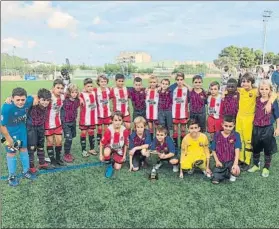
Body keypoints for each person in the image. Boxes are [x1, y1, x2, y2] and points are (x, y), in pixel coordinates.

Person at [236, 73, 273, 171]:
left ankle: (247, 161)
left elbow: (274, 94)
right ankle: (240, 159)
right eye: (243, 81)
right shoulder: (240, 90)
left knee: (248, 140)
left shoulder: (256, 91)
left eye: (248, 82)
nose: (245, 84)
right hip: (239, 117)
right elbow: (226, 89)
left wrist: (269, 103)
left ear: (252, 83)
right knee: (239, 139)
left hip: (249, 119)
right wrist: (224, 92)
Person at [0, 87, 37, 186]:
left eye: (22, 100)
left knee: (24, 150)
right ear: (12, 98)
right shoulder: (6, 107)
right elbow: (1, 126)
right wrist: (8, 138)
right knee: (11, 153)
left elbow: (34, 96)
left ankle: (26, 171)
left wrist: (34, 98)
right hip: (8, 133)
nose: (21, 102)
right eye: (18, 100)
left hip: (21, 131)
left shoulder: (28, 101)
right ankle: (11, 176)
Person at [248, 80, 279, 177]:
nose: (264, 91)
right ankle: (256, 165)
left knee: (267, 148)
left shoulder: (273, 101)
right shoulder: (256, 99)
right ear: (259, 90)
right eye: (262, 89)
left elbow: (277, 116)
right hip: (257, 127)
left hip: (268, 128)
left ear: (270, 90)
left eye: (266, 89)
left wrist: (277, 128)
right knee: (256, 147)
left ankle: (266, 167)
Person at [27, 88, 54, 173]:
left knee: (41, 145)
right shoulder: (33, 102)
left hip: (41, 127)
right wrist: (34, 97)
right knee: (31, 147)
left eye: (47, 100)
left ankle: (42, 163)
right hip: (31, 128)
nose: (45, 102)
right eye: (43, 100)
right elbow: (26, 98)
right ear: (39, 99)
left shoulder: (48, 104)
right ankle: (31, 166)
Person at [211, 115, 241, 184]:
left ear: (234, 126)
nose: (228, 128)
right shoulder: (217, 134)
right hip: (220, 161)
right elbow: (213, 150)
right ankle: (223, 173)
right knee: (215, 179)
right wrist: (217, 161)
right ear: (222, 125)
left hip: (231, 161)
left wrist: (235, 164)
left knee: (236, 171)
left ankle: (231, 173)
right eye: (226, 126)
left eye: (230, 126)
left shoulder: (236, 135)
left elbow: (237, 149)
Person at [99, 111, 129, 177]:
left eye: (119, 120)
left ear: (122, 121)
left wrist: (124, 155)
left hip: (119, 149)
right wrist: (101, 155)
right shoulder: (109, 130)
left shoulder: (125, 131)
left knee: (117, 167)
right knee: (106, 152)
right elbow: (101, 143)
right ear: (112, 121)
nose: (117, 122)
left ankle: (114, 157)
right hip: (110, 146)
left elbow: (126, 144)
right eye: (115, 120)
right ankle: (109, 161)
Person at [45, 79, 66, 166]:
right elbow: (36, 96)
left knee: (59, 141)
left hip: (58, 123)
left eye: (61, 88)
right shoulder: (48, 96)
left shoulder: (62, 96)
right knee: (50, 142)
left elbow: (74, 93)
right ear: (53, 88)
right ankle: (52, 159)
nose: (60, 90)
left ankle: (58, 158)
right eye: (58, 88)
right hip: (47, 123)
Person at [61, 83, 80, 163]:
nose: (74, 94)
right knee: (68, 138)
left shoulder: (77, 100)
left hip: (73, 122)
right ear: (69, 92)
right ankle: (66, 154)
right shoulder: (64, 100)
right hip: (65, 122)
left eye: (75, 92)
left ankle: (68, 152)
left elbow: (76, 109)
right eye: (72, 92)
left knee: (71, 137)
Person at [79, 78, 98, 157]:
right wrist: (79, 98)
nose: (90, 88)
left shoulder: (94, 92)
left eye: (91, 86)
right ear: (84, 87)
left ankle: (91, 148)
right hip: (84, 118)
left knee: (91, 132)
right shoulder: (82, 94)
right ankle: (83, 150)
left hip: (92, 118)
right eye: (88, 86)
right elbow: (74, 94)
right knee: (83, 133)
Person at [172, 73, 189, 147]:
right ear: (175, 80)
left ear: (183, 80)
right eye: (178, 80)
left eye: (181, 80)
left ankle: (183, 144)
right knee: (175, 130)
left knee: (183, 130)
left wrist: (186, 84)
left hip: (183, 114)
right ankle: (175, 145)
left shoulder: (186, 89)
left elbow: (192, 89)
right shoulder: (173, 89)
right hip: (174, 113)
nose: (179, 81)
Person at [95, 75, 112, 147]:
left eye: (105, 81)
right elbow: (86, 91)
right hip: (99, 114)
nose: (103, 83)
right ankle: (99, 143)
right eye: (101, 81)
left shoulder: (109, 90)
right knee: (99, 129)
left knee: (106, 129)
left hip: (107, 114)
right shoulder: (95, 90)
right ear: (98, 82)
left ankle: (105, 141)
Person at [145, 75, 159, 140]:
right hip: (149, 113)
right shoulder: (147, 91)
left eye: (154, 82)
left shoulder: (158, 90)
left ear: (156, 83)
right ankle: (151, 141)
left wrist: (159, 86)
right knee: (150, 128)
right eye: (151, 82)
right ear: (149, 83)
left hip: (156, 114)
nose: (152, 84)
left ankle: (157, 141)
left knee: (157, 128)